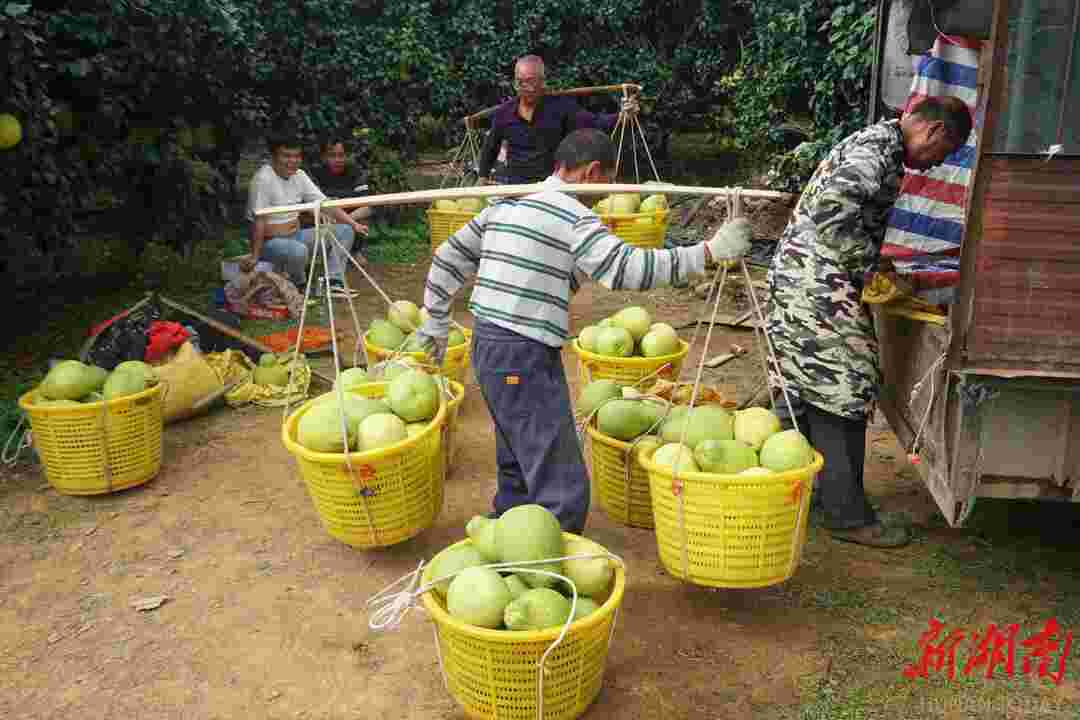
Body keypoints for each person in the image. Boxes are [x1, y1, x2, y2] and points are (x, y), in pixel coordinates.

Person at [416, 128, 751, 534]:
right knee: (557, 469)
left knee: (518, 443)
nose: (607, 195)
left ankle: (509, 523)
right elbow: (627, 269)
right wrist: (708, 252)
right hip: (522, 350)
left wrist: (434, 320)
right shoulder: (572, 215)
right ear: (594, 172)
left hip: (489, 344)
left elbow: (449, 256)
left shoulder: (511, 202)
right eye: (607, 183)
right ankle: (548, 554)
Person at [766, 96, 973, 549]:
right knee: (847, 384)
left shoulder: (881, 145)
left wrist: (875, 264)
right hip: (817, 282)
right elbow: (833, 214)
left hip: (803, 277)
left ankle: (807, 493)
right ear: (935, 132)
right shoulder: (877, 149)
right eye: (944, 153)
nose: (937, 165)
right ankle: (846, 515)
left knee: (803, 385)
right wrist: (871, 269)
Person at [476, 55, 639, 186]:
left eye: (531, 81)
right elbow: (491, 146)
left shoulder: (560, 107)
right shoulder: (504, 113)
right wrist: (482, 177)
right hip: (515, 187)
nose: (526, 87)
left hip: (551, 187)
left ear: (542, 81)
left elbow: (595, 122)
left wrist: (623, 116)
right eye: (520, 82)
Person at [244, 133, 369, 297]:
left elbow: (326, 205)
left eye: (296, 156)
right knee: (299, 250)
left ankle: (333, 282)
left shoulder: (300, 175)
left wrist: (354, 224)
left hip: (295, 236)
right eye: (286, 156)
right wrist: (254, 256)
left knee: (344, 230)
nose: (292, 161)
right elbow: (258, 221)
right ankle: (299, 284)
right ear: (273, 157)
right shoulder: (263, 180)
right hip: (270, 245)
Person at [307, 136, 373, 225]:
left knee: (364, 219)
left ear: (346, 156)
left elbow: (368, 206)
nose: (337, 160)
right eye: (332, 155)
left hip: (351, 218)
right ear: (324, 157)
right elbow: (310, 204)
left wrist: (345, 220)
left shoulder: (356, 172)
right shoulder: (315, 173)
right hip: (324, 218)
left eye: (341, 155)